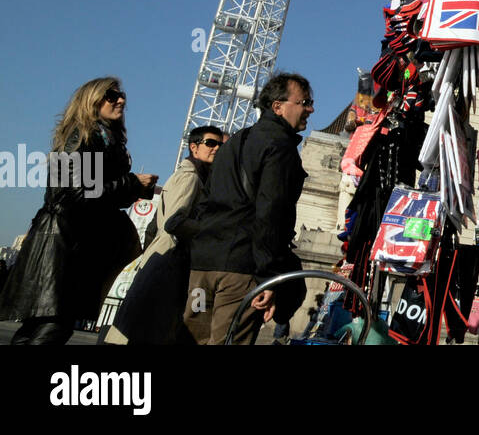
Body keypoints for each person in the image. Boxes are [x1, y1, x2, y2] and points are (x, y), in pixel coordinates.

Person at [0, 78, 158, 345]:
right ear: (92, 99)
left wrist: (135, 188)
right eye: (111, 95)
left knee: (44, 328)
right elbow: (76, 192)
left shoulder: (104, 138)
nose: (120, 100)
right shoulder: (83, 135)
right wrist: (132, 183)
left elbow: (94, 191)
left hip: (75, 244)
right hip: (60, 243)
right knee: (51, 328)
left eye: (122, 96)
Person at [183, 72, 312, 345]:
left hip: (203, 267)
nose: (310, 108)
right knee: (229, 340)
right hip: (240, 270)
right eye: (304, 102)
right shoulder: (280, 147)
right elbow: (271, 214)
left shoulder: (235, 142)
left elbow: (205, 201)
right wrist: (269, 276)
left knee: (193, 339)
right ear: (278, 106)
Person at [103, 125, 226, 345]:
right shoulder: (190, 177)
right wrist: (211, 230)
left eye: (220, 144)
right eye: (210, 143)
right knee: (148, 330)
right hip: (169, 261)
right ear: (194, 147)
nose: (216, 148)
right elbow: (174, 222)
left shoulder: (198, 177)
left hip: (164, 260)